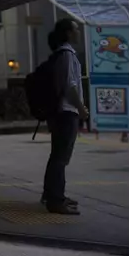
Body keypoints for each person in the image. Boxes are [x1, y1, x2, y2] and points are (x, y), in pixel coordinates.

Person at [41, 18, 88, 215]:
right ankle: (55, 200)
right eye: (76, 29)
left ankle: (52, 194)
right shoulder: (67, 55)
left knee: (57, 156)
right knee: (61, 158)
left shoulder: (60, 55)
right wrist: (82, 108)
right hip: (67, 112)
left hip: (60, 112)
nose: (79, 32)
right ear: (68, 33)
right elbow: (71, 86)